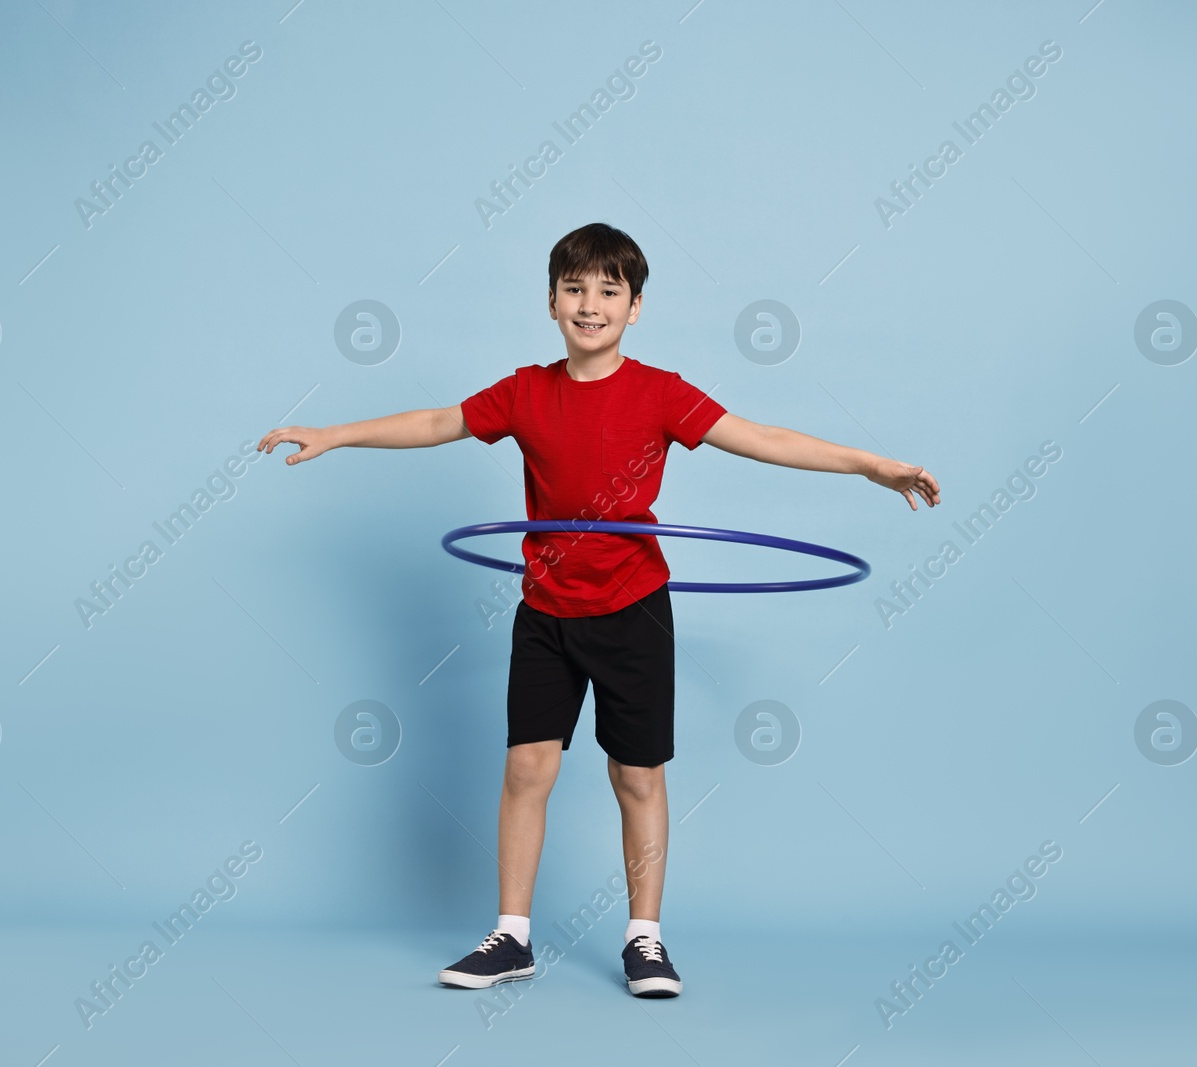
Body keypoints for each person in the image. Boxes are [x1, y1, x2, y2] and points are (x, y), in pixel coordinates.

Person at [258, 222, 941, 998]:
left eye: (608, 291)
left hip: (633, 610)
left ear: (635, 307)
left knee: (637, 776)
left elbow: (759, 436)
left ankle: (644, 940)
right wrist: (335, 434)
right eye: (575, 289)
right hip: (546, 611)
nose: (590, 305)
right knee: (526, 769)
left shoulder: (661, 393)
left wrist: (869, 465)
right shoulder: (524, 390)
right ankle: (510, 937)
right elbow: (437, 422)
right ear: (551, 301)